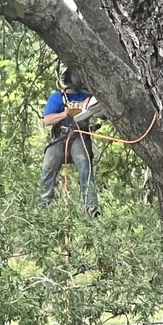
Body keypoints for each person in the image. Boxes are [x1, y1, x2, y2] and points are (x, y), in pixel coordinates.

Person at [40, 67, 100, 216]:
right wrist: (65, 113)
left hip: (79, 136)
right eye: (75, 74)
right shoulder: (57, 97)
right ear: (68, 76)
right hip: (60, 137)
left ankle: (91, 206)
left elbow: (101, 113)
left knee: (84, 164)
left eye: (80, 74)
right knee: (48, 167)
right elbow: (47, 120)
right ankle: (43, 208)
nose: (78, 77)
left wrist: (89, 107)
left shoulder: (89, 97)